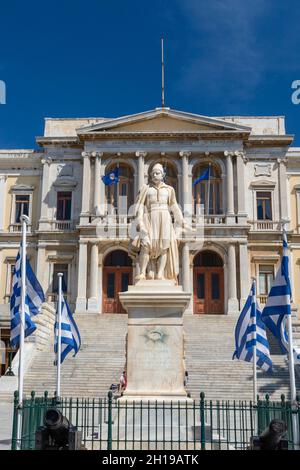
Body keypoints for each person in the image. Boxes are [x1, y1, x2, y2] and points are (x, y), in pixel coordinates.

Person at [129, 162, 191, 282]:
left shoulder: (169, 190)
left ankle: (160, 273)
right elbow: (140, 206)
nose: (154, 175)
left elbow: (174, 207)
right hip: (149, 218)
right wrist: (140, 223)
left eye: (157, 173)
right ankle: (142, 272)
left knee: (164, 247)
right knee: (146, 245)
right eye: (152, 173)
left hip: (165, 219)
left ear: (163, 175)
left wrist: (182, 222)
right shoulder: (145, 189)